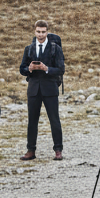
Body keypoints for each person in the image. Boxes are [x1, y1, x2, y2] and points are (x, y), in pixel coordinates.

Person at [19, 20, 65, 160]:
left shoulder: (55, 49)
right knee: (32, 121)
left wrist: (47, 69)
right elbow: (22, 69)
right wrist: (29, 69)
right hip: (34, 89)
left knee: (54, 120)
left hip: (50, 88)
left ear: (47, 32)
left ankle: (58, 150)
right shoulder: (29, 49)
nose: (40, 34)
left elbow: (61, 69)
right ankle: (30, 150)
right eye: (38, 32)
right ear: (35, 32)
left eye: (43, 32)